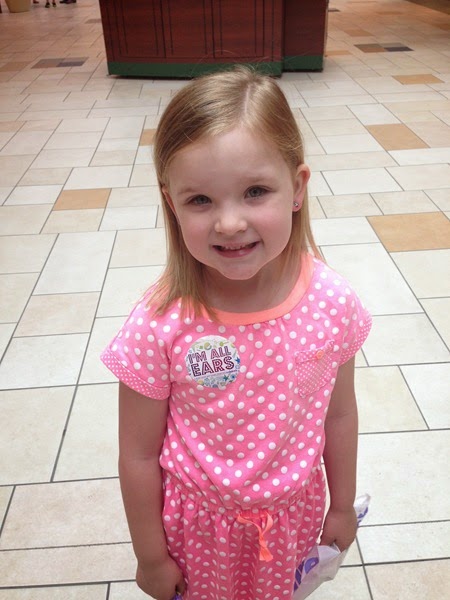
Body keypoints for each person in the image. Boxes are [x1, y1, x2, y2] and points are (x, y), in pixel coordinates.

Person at [101, 66, 372, 600]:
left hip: (292, 521)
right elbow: (137, 455)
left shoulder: (331, 302)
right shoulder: (160, 322)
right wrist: (150, 557)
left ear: (297, 188)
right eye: (200, 200)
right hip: (198, 532)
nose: (229, 223)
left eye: (255, 191)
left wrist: (341, 505)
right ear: (171, 202)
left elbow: (339, 414)